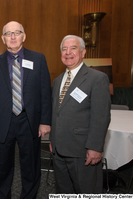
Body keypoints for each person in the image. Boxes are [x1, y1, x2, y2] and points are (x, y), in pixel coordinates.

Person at [0, 21, 52, 198]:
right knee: (3, 168)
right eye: (8, 33)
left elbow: (45, 92)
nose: (13, 36)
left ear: (24, 36)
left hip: (29, 121)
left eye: (17, 32)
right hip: (3, 123)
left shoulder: (38, 59)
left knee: (30, 167)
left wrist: (45, 121)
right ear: (3, 39)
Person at [50, 35, 111, 193]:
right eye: (64, 49)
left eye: (73, 48)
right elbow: (56, 113)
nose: (68, 52)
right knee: (63, 191)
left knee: (86, 192)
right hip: (59, 150)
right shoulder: (57, 81)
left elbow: (101, 116)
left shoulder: (97, 79)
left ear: (83, 52)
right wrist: (52, 139)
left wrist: (95, 147)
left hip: (82, 151)